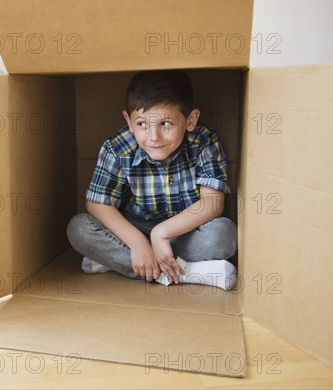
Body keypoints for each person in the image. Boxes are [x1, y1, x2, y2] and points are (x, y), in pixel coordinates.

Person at [67, 70, 238, 290]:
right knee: (79, 229)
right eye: (142, 124)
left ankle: (117, 262)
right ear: (129, 121)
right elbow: (98, 203)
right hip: (133, 227)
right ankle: (187, 273)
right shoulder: (117, 147)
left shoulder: (203, 140)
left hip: (183, 232)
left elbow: (212, 204)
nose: (153, 137)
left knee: (224, 234)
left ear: (190, 120)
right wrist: (138, 242)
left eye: (166, 124)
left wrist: (161, 233)